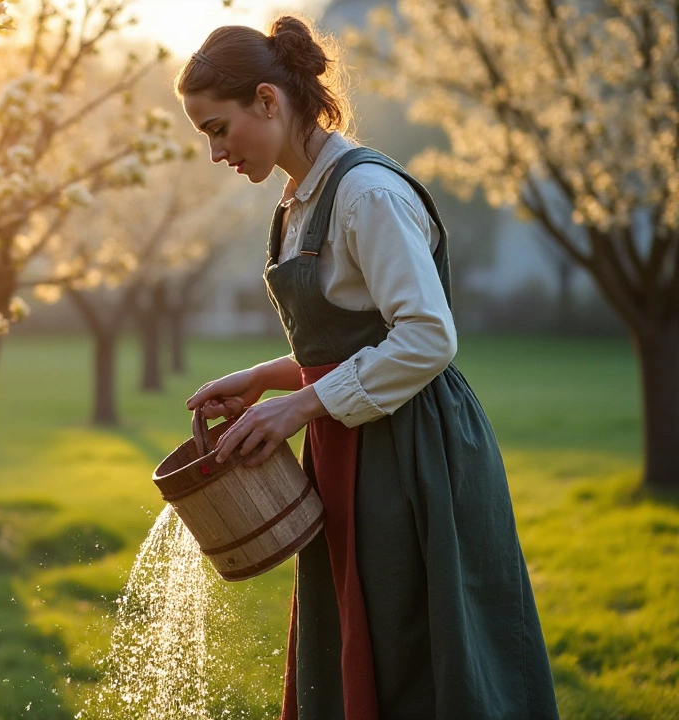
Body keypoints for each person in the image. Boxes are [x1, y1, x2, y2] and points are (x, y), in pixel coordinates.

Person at [175, 17, 561, 720]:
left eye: (218, 128)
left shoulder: (366, 194)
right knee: (357, 638)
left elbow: (425, 338)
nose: (215, 151)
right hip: (350, 445)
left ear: (268, 99)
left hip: (413, 456)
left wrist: (297, 407)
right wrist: (271, 377)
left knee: (414, 651)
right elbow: (352, 342)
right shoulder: (298, 202)